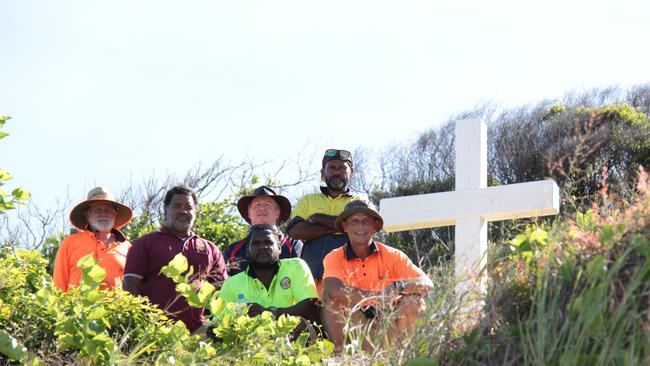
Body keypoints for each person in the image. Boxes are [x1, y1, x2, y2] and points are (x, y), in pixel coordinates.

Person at [321, 200, 433, 353]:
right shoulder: (334, 257)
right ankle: (340, 353)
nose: (361, 227)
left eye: (366, 221)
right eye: (355, 221)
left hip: (389, 325)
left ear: (375, 226)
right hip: (355, 328)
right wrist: (376, 297)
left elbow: (427, 284)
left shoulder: (393, 255)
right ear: (345, 226)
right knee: (329, 297)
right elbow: (333, 289)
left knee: (414, 301)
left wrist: (398, 287)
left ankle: (404, 355)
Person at [123, 185, 228, 333]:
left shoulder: (210, 249)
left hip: (198, 333)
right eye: (177, 206)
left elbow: (221, 291)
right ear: (166, 210)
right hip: (154, 331)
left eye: (188, 207)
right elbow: (130, 286)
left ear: (195, 212)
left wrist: (210, 326)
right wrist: (142, 324)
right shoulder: (146, 243)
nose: (183, 211)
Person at [287, 149, 362, 295]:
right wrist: (343, 225)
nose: (337, 172)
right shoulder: (307, 201)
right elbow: (295, 231)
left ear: (351, 172)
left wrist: (319, 219)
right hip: (312, 277)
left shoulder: (360, 201)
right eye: (332, 168)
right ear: (323, 173)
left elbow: (362, 228)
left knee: (348, 317)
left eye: (342, 168)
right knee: (312, 316)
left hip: (352, 277)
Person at [218, 224, 318, 324]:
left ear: (279, 248)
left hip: (292, 337)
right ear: (247, 251)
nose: (262, 247)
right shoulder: (231, 284)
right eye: (256, 243)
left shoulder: (295, 266)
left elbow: (311, 307)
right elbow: (219, 324)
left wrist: (270, 313)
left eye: (268, 242)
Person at [53, 187, 133, 292]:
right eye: (97, 210)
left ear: (115, 214)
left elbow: (134, 287)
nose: (103, 214)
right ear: (87, 215)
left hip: (117, 307)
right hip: (78, 307)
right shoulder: (70, 243)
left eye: (108, 210)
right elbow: (59, 284)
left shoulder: (127, 248)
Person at [223, 185, 302, 276]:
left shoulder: (293, 246)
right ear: (249, 213)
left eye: (267, 204)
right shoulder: (233, 250)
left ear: (278, 212)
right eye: (257, 204)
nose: (262, 208)